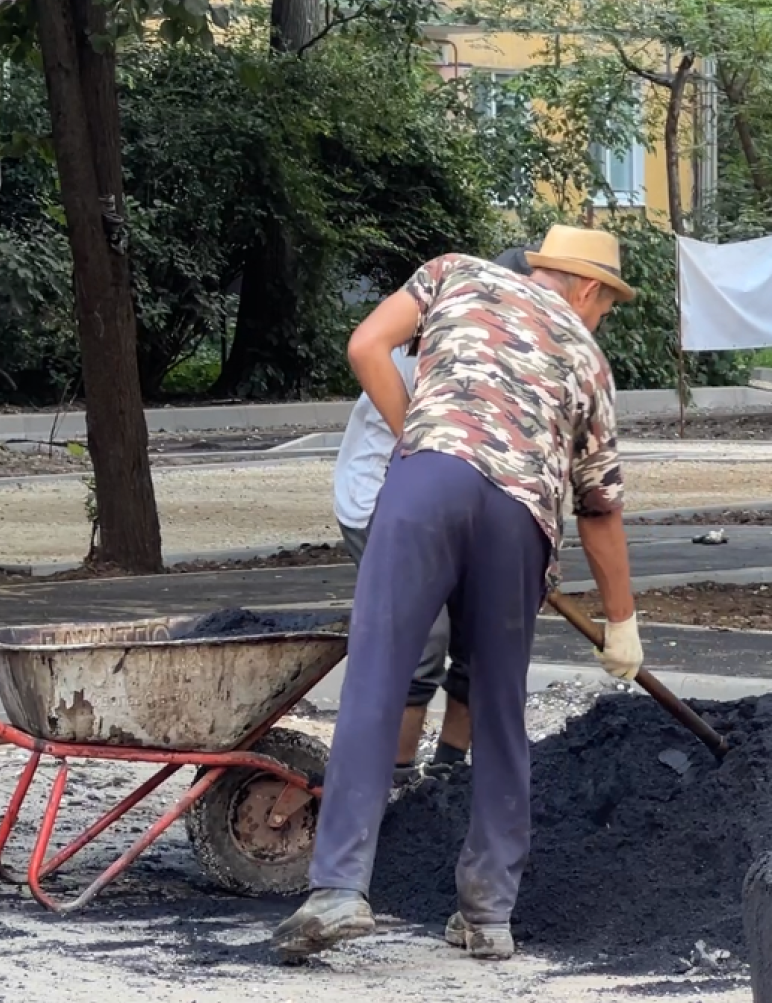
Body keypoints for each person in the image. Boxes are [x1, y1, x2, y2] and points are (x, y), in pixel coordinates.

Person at [273, 225, 643, 963]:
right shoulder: (589, 360)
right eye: (608, 304)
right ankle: (487, 915)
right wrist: (623, 623)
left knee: (378, 677)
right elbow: (600, 508)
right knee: (501, 706)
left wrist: (424, 439)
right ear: (590, 288)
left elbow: (364, 347)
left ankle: (340, 889)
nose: (600, 316)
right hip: (520, 519)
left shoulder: (454, 274)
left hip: (425, 490)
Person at [332, 245, 538, 786]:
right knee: (424, 639)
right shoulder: (436, 345)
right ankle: (396, 782)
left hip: (467, 503)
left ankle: (448, 777)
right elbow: (368, 354)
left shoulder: (518, 354)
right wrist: (421, 447)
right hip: (382, 496)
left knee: (486, 631)